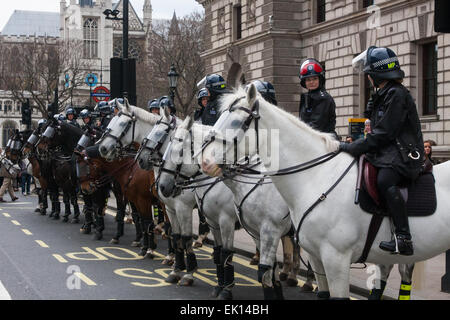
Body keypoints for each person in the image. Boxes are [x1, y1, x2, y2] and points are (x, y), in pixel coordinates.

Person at [340, 46, 424, 256]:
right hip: (389, 151)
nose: (367, 78)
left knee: (385, 180)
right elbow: (374, 123)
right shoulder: (385, 93)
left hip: (404, 154)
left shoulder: (397, 94)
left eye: (368, 74)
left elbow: (385, 132)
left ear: (376, 74)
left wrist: (354, 147)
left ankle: (403, 237)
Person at [298, 58, 338, 138]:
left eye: (315, 79)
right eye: (308, 80)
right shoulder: (307, 97)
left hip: (325, 141)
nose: (311, 82)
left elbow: (316, 125)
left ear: (320, 79)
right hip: (310, 138)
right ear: (304, 82)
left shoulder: (324, 98)